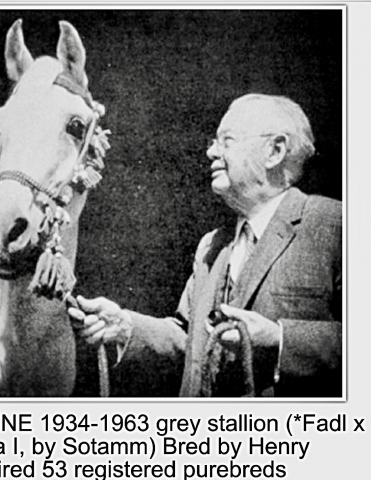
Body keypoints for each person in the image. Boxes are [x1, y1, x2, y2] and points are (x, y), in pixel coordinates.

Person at [68, 93, 342, 397]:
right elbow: (189, 338)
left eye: (226, 141)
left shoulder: (335, 225)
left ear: (275, 150)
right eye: (213, 142)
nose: (211, 152)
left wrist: (280, 338)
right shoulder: (211, 246)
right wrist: (126, 326)